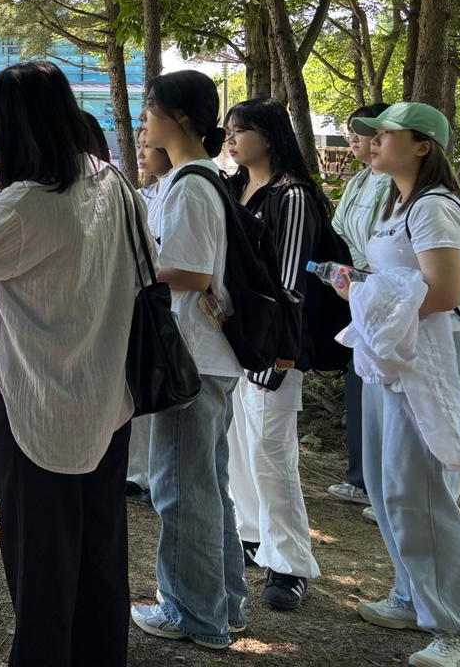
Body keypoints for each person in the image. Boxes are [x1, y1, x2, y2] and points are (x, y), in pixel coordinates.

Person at [0, 61, 146, 667]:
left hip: (34, 400)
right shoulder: (110, 181)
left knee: (40, 554)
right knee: (100, 545)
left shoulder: (27, 204)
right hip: (105, 388)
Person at [344, 102, 460, 667]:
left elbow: (444, 292)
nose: (373, 140)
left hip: (431, 357)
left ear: (423, 145)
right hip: (394, 354)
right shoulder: (396, 202)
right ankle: (413, 594)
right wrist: (358, 285)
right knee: (387, 485)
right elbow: (399, 280)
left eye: (386, 133)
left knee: (420, 491)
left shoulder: (433, 207)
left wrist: (368, 293)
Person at [131, 69, 247, 650]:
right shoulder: (200, 179)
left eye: (149, 110)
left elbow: (192, 273)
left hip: (192, 359)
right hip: (205, 357)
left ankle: (194, 615)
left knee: (181, 488)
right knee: (206, 485)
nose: (143, 121)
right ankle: (225, 604)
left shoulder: (190, 184)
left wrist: (133, 264)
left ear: (178, 117)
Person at [222, 96, 324, 610]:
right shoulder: (233, 187)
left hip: (273, 344)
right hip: (232, 339)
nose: (231, 138)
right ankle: (253, 534)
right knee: (240, 447)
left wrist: (278, 354)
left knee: (271, 454)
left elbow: (290, 286)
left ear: (269, 134)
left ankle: (289, 564)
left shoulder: (293, 195)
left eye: (240, 130)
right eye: (228, 130)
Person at [328, 101, 391, 508]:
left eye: (362, 131)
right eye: (350, 130)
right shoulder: (359, 180)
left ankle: (385, 489)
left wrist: (364, 270)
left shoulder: (398, 183)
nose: (353, 137)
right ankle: (361, 479)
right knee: (359, 380)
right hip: (354, 289)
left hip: (383, 292)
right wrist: (348, 270)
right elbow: (339, 229)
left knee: (384, 386)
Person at [126, 125, 173, 498]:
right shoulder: (140, 196)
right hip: (139, 299)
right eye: (139, 146)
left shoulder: (180, 190)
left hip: (164, 302)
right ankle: (138, 470)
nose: (141, 152)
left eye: (149, 146)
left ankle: (152, 472)